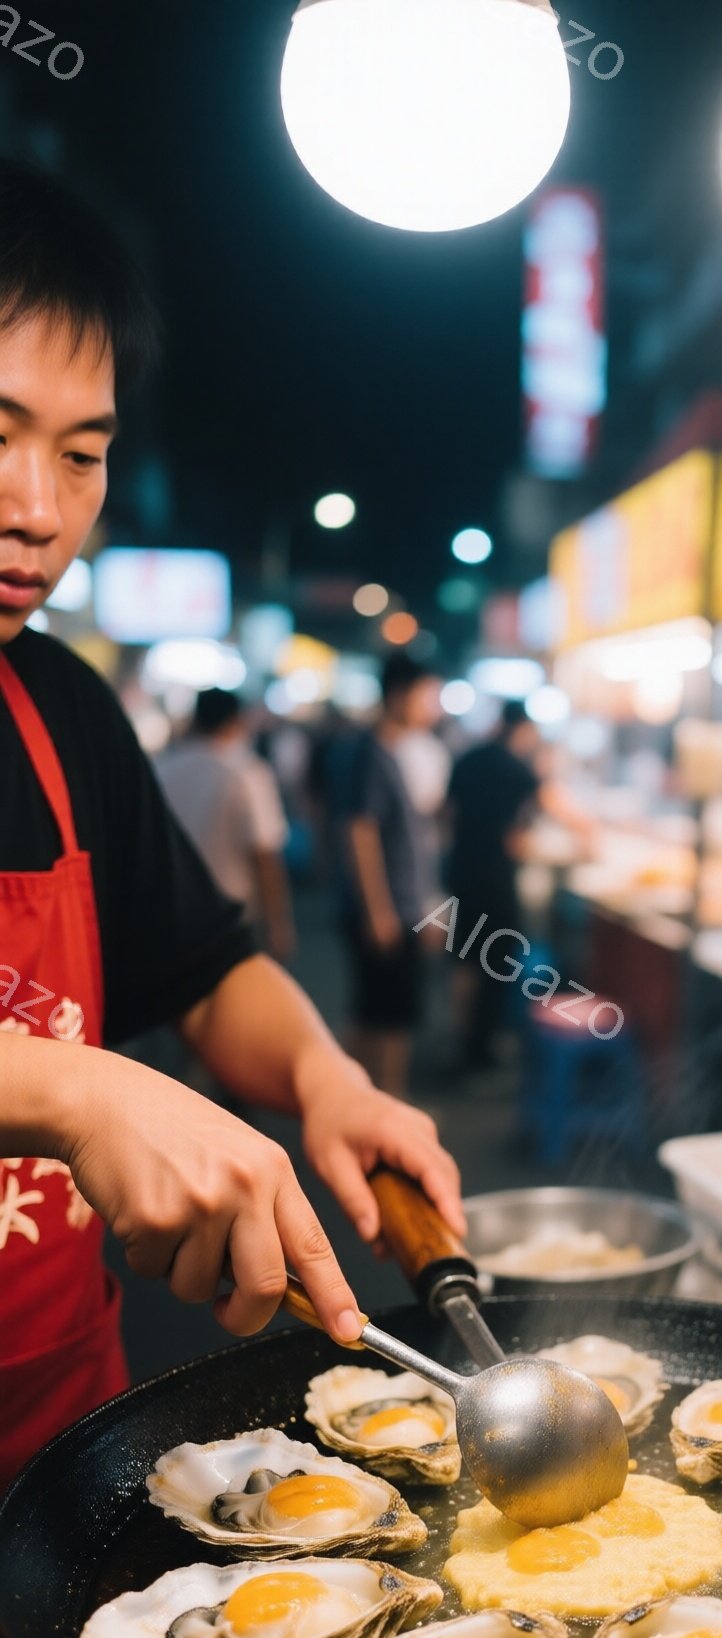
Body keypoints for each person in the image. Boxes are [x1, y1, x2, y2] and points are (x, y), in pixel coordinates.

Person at [0, 158, 464, 1498]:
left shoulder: (59, 707)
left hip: (54, 1447)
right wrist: (72, 1090)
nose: (38, 509)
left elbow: (202, 972)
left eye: (81, 455)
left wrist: (325, 1077)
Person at [338, 654, 442, 1099]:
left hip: (400, 907)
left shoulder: (389, 751)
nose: (433, 706)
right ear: (399, 695)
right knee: (389, 1017)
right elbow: (360, 831)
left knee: (376, 1013)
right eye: (427, 695)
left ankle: (357, 1101)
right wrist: (378, 910)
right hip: (388, 911)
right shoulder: (373, 753)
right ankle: (385, 1100)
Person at [156, 688, 296, 963]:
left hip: (172, 909)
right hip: (233, 912)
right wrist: (278, 923)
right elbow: (265, 853)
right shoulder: (248, 772)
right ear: (235, 721)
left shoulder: (164, 769)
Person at [445, 702, 544, 1068]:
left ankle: (460, 1038)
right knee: (497, 963)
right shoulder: (517, 769)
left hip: (461, 873)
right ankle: (481, 1049)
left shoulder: (468, 759)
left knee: (464, 958)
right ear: (522, 729)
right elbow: (521, 832)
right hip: (496, 881)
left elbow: (447, 813)